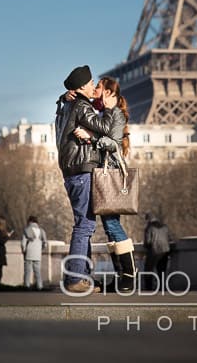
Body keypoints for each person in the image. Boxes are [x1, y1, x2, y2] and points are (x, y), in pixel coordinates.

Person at [53, 65, 120, 293]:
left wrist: (63, 97)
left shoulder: (65, 106)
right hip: (82, 171)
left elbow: (61, 110)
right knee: (84, 226)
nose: (93, 87)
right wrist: (110, 110)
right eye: (91, 83)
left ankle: (82, 277)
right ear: (81, 86)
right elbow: (105, 128)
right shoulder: (82, 106)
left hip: (70, 172)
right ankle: (74, 278)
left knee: (84, 224)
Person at [72, 76, 138, 292]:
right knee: (110, 225)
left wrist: (90, 137)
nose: (96, 89)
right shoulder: (104, 113)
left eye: (99, 87)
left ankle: (129, 276)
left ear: (108, 92)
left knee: (112, 224)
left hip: (110, 175)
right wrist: (67, 95)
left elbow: (113, 143)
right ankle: (123, 275)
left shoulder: (116, 114)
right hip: (104, 175)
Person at [143, 213, 171, 290]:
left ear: (148, 219)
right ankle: (162, 287)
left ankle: (148, 287)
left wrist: (146, 247)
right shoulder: (164, 226)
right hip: (165, 250)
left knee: (148, 269)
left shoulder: (149, 227)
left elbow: (148, 241)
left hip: (154, 250)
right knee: (161, 270)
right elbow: (169, 238)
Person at [21, 215, 48, 290]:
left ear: (30, 221)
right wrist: (41, 249)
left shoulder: (27, 230)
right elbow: (45, 243)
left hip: (29, 252)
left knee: (27, 271)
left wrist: (23, 250)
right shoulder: (41, 230)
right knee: (37, 271)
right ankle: (40, 286)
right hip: (37, 252)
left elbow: (23, 243)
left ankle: (26, 285)